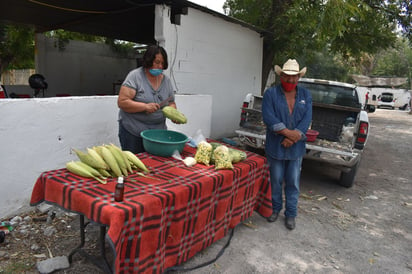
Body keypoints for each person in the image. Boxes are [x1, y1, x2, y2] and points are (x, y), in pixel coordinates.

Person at [261, 59, 312, 230]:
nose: (290, 81)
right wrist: (288, 133)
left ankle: (290, 214)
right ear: (281, 76)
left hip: (295, 149)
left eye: (294, 77)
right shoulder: (271, 94)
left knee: (293, 182)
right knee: (275, 181)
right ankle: (275, 209)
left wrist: (293, 137)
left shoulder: (305, 95)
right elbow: (269, 117)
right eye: (287, 77)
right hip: (275, 146)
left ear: (299, 77)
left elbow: (306, 120)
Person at [117, 45, 180, 154]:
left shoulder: (167, 81)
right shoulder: (135, 76)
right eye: (157, 62)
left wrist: (173, 113)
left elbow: (171, 102)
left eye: (162, 63)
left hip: (157, 134)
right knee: (135, 165)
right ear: (148, 60)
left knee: (155, 165)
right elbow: (122, 102)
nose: (160, 66)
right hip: (133, 132)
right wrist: (144, 107)